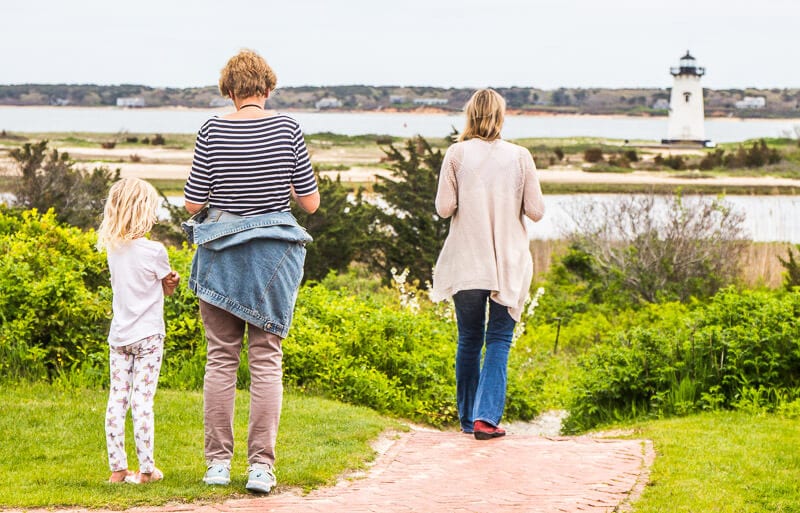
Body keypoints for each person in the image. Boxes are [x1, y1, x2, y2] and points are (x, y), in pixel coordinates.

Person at [183, 49, 319, 494]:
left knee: (220, 359)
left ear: (229, 89)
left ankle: (217, 465)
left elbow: (193, 203)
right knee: (266, 362)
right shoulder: (288, 128)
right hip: (272, 259)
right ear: (267, 87)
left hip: (221, 254)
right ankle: (261, 467)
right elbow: (310, 203)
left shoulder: (212, 128)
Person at [430, 88, 545, 440]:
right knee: (498, 340)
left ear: (469, 115)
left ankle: (467, 419)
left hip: (468, 261)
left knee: (468, 339)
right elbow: (537, 211)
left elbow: (443, 208)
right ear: (501, 116)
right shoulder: (520, 156)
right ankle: (486, 419)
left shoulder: (456, 154)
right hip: (508, 263)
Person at [97, 177, 180, 484]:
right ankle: (146, 469)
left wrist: (164, 283)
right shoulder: (155, 251)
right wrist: (171, 281)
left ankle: (118, 469)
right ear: (145, 211)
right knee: (142, 401)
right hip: (148, 337)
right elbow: (165, 286)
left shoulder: (113, 249)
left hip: (119, 337)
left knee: (117, 400)